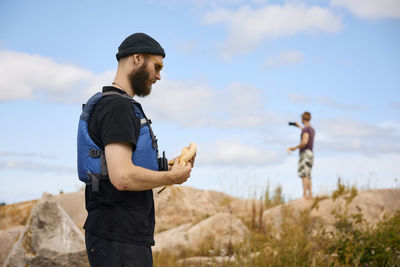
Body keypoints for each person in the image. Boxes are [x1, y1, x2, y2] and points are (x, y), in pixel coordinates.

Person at [77, 33, 194, 267]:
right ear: (138, 58)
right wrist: (171, 178)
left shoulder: (114, 103)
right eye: (157, 66)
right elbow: (122, 177)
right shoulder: (117, 107)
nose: (159, 76)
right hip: (118, 238)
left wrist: (167, 168)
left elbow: (125, 168)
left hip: (120, 236)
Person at [288, 111, 315, 200]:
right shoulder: (311, 129)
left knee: (303, 174)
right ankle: (310, 194)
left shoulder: (305, 130)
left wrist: (295, 147)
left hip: (305, 153)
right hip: (310, 153)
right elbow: (306, 131)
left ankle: (304, 195)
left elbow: (304, 142)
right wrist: (299, 126)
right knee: (308, 174)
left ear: (303, 119)